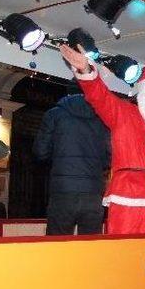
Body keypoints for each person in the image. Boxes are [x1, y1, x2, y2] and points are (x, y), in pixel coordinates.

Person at [59, 44, 145, 234]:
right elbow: (100, 97)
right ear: (143, 93)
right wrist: (86, 70)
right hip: (127, 199)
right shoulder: (123, 113)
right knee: (124, 257)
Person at [33, 91, 110, 235]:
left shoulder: (54, 114)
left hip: (63, 191)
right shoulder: (102, 118)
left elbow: (40, 152)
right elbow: (110, 156)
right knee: (90, 247)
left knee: (57, 246)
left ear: (68, 92)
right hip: (93, 193)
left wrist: (59, 157)